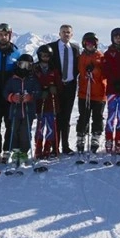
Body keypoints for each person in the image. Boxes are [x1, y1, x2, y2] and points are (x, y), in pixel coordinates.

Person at [0, 23, 22, 163]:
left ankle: (7, 150)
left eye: (6, 35)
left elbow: (21, 73)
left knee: (10, 124)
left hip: (10, 95)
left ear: (9, 35)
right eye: (0, 35)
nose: (3, 37)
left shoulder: (17, 53)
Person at [47, 24, 80, 155]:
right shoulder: (51, 48)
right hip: (56, 87)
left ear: (71, 35)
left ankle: (65, 146)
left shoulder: (75, 49)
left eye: (68, 32)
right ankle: (55, 147)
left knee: (66, 118)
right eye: (64, 32)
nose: (66, 34)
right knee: (56, 117)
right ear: (59, 34)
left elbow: (78, 67)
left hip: (70, 87)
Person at [3, 54, 42, 165]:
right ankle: (15, 152)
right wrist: (12, 97)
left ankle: (24, 152)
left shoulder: (32, 79)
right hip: (15, 110)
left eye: (28, 65)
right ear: (18, 64)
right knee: (14, 131)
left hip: (28, 111)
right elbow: (5, 92)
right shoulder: (13, 79)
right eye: (22, 64)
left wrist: (30, 96)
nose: (24, 68)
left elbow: (38, 91)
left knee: (25, 132)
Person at [76, 32, 107, 154]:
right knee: (83, 115)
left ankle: (96, 136)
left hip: (99, 93)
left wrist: (95, 71)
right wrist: (86, 72)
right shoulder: (81, 57)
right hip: (84, 92)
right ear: (84, 44)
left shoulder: (100, 56)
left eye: (93, 43)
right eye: (88, 43)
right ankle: (81, 136)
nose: (90, 45)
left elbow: (104, 73)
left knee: (97, 116)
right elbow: (80, 71)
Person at [33, 45, 62, 159]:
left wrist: (54, 88)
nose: (45, 58)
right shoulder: (35, 69)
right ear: (39, 56)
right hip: (40, 102)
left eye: (47, 56)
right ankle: (38, 148)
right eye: (43, 55)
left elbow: (59, 86)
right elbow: (32, 83)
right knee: (40, 126)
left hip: (51, 102)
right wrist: (39, 92)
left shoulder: (53, 70)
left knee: (50, 127)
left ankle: (47, 148)